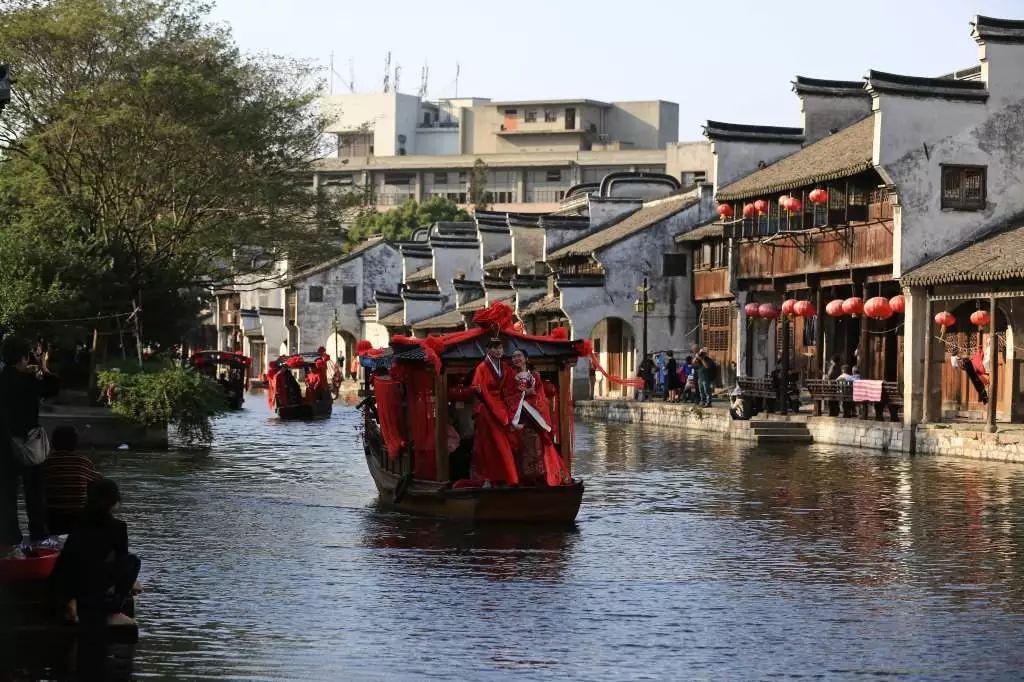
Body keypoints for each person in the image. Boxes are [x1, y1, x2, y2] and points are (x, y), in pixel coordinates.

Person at [50, 478, 140, 627]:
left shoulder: (78, 521)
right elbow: (122, 558)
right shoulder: (118, 527)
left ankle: (71, 602)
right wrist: (131, 581)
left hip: (64, 582)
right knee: (133, 561)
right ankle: (113, 612)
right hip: (90, 586)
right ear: (114, 501)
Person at [0, 336, 57, 556]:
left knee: (7, 494)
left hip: (4, 444)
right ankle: (38, 535)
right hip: (29, 442)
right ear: (24, 357)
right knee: (34, 491)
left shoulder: (2, 380)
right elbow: (52, 388)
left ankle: (10, 538)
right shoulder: (29, 380)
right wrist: (42, 365)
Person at [503, 349, 569, 487]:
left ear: (526, 358)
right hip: (518, 418)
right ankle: (520, 479)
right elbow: (507, 396)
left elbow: (539, 396)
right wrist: (523, 394)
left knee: (536, 448)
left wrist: (528, 395)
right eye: (514, 356)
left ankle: (539, 478)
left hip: (534, 418)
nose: (516, 359)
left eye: (519, 356)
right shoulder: (509, 376)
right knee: (519, 449)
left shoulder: (535, 376)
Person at [470, 339, 518, 487]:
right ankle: (488, 478)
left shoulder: (505, 367)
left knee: (508, 442)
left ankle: (506, 476)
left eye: (501, 348)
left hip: (502, 408)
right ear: (488, 350)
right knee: (489, 445)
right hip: (487, 409)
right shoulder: (482, 368)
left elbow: (511, 387)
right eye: (495, 348)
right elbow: (478, 388)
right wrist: (492, 405)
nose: (499, 351)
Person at [44, 426, 101, 536]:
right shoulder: (83, 462)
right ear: (75, 443)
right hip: (78, 518)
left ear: (53, 443)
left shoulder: (46, 462)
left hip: (52, 518)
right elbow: (99, 481)